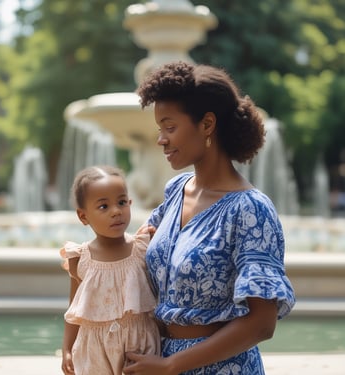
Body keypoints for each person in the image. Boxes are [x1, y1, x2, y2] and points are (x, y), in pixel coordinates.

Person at [123, 61, 296, 375]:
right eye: (159, 129)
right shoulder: (176, 191)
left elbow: (261, 323)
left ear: (207, 125)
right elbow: (138, 250)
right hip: (160, 361)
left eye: (170, 127)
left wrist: (173, 364)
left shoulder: (250, 209)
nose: (161, 139)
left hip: (223, 368)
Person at [60, 165, 160, 375]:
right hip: (94, 349)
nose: (116, 211)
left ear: (130, 204)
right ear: (83, 216)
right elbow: (74, 310)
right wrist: (67, 349)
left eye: (122, 202)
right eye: (104, 206)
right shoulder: (80, 258)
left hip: (139, 346)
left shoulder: (143, 248)